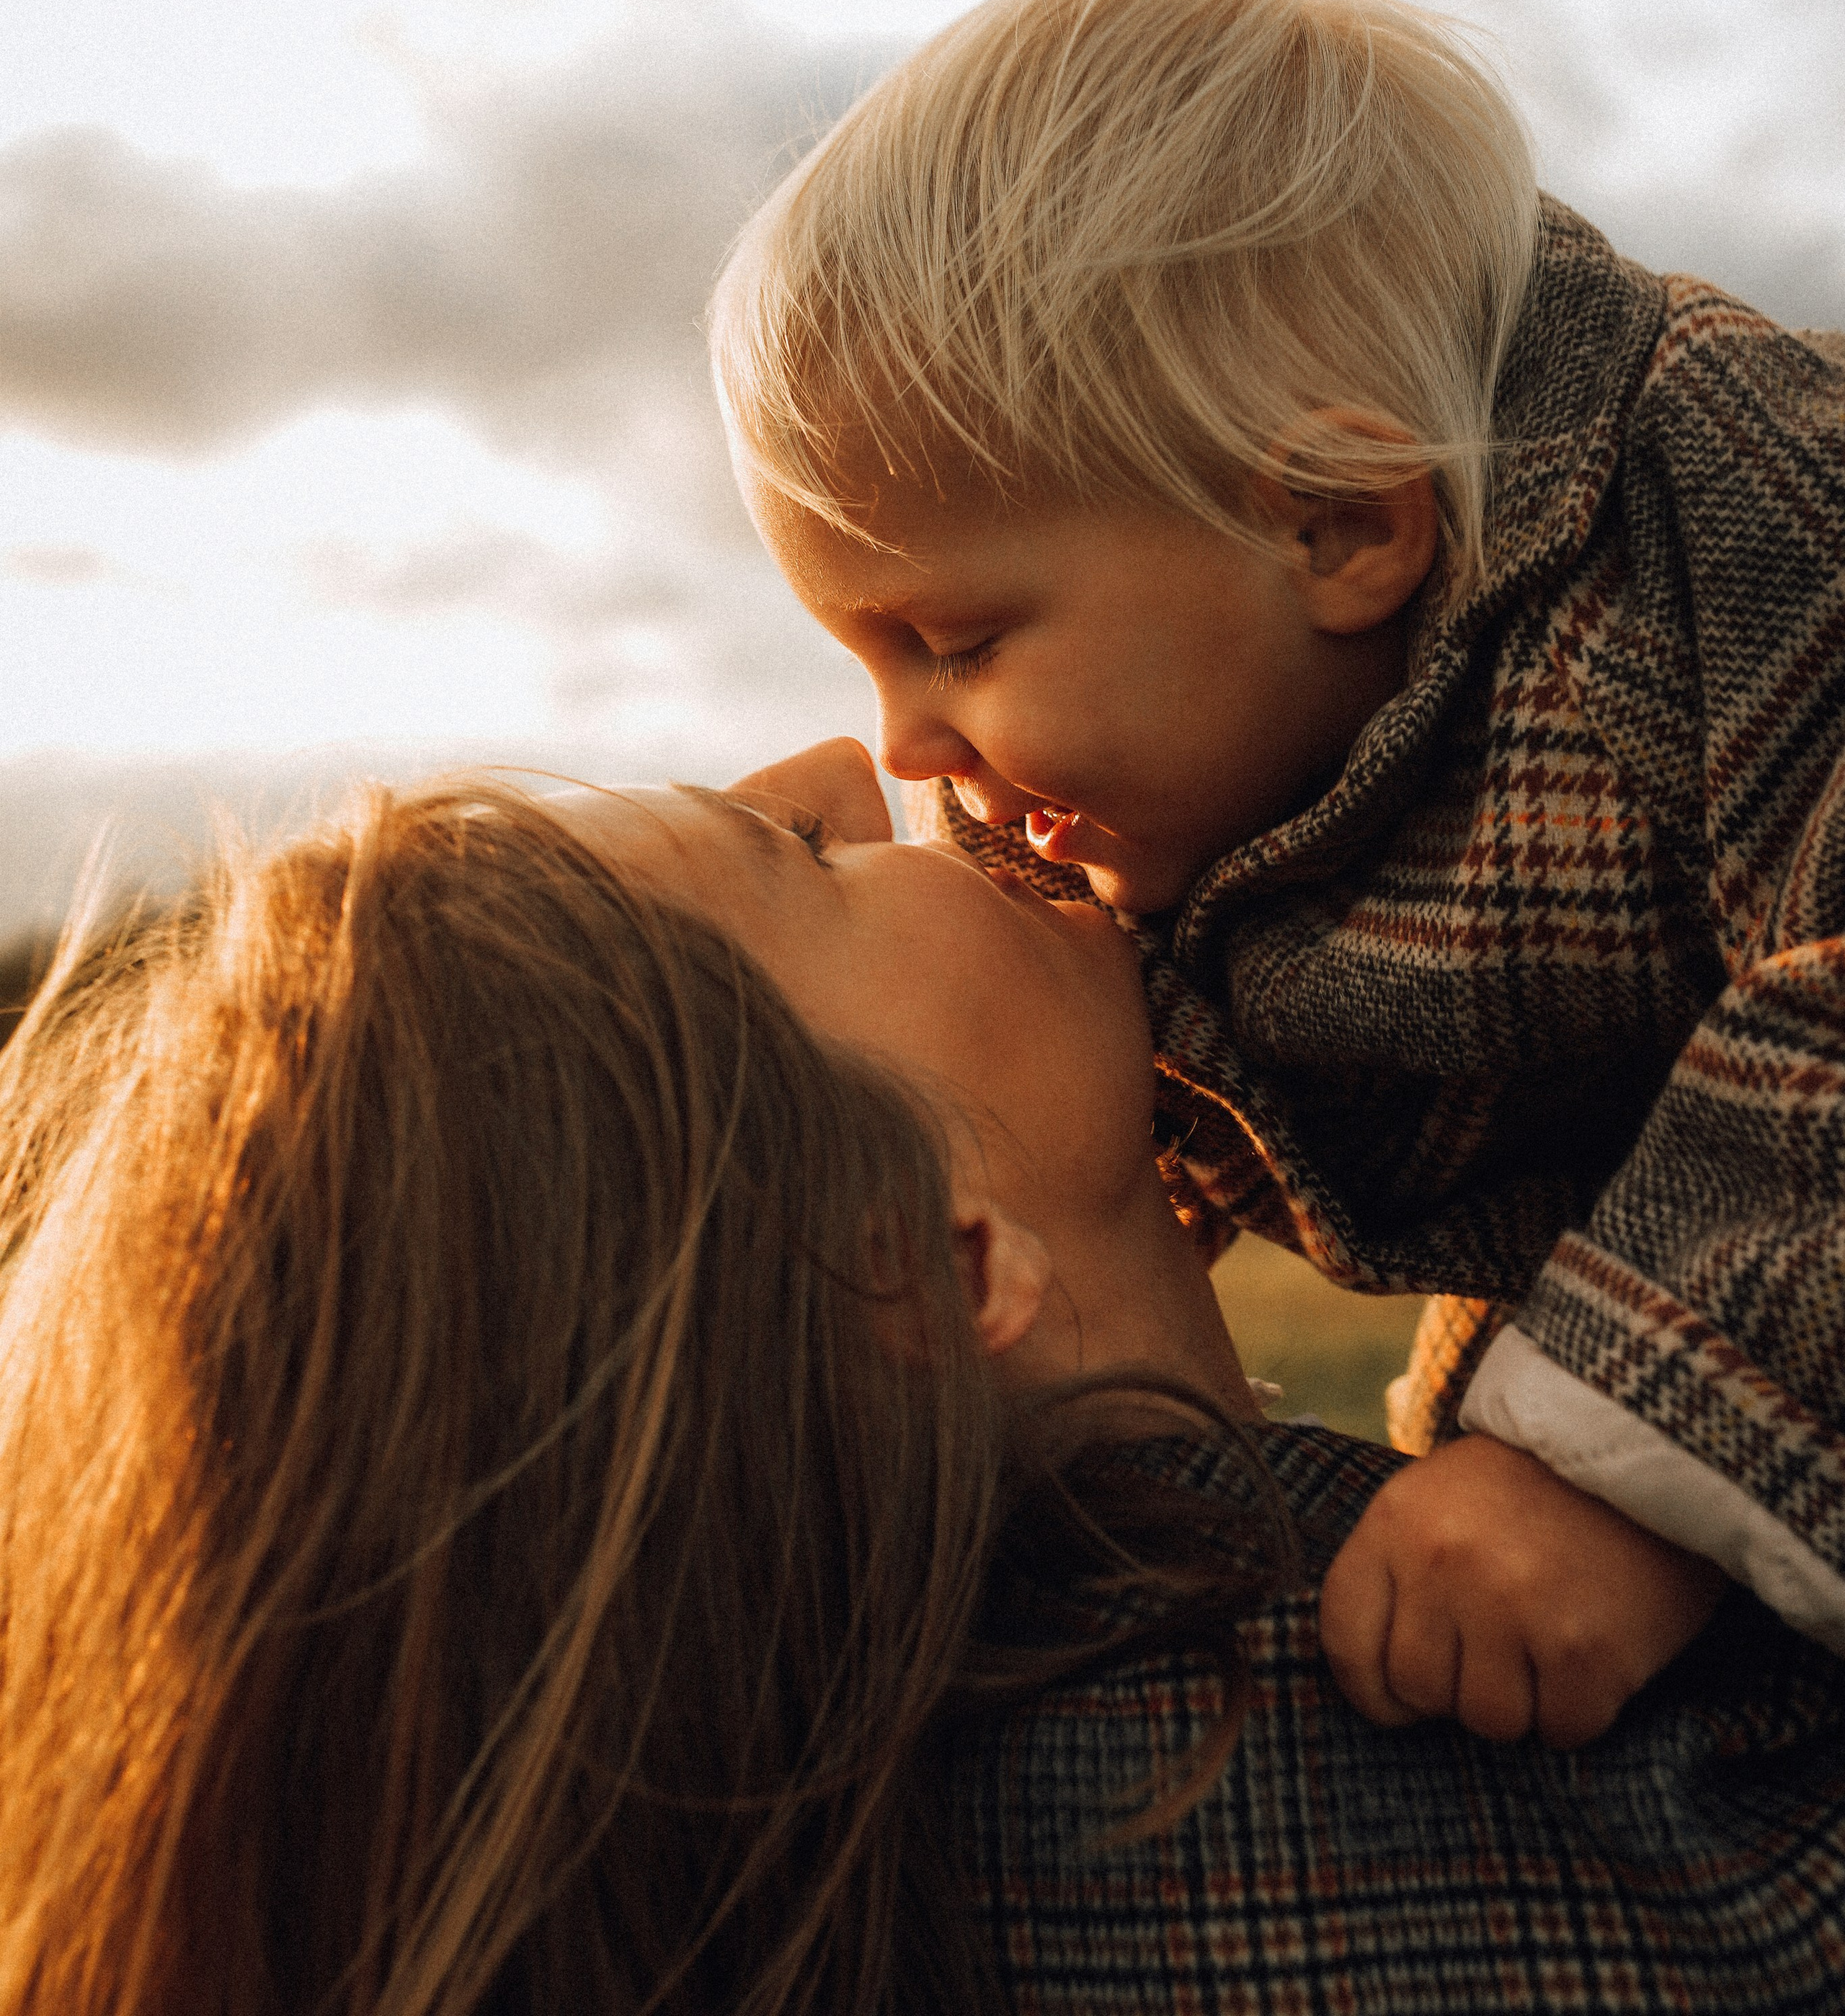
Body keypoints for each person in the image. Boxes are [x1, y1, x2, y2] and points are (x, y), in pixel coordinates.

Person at [0, 753, 1839, 2016]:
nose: (852, 763)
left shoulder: (905, 1848)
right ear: (922, 1262)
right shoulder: (1371, 1787)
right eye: (792, 859)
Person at [708, 0, 1845, 1735]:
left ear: (1333, 527)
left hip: (1744, 1242)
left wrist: (1611, 1467)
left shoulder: (1718, 517)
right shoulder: (1117, 801)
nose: (902, 745)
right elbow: (1066, 1158)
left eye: (957, 642)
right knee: (1444, 1574)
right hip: (1599, 1245)